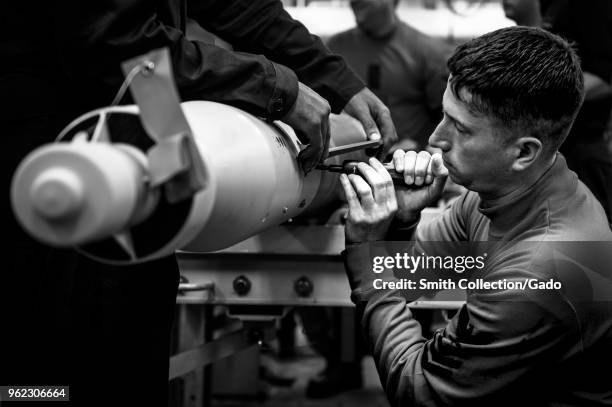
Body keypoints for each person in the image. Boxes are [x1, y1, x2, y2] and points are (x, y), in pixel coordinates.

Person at [0, 1, 397, 405]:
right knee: (49, 370)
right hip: (57, 151)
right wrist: (275, 88)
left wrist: (336, 80)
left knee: (132, 317)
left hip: (144, 117)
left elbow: (239, 6)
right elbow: (114, 43)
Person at [339, 26, 612, 405]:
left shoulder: (545, 269)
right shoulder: (499, 196)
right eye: (444, 115)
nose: (436, 139)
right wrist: (400, 222)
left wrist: (365, 248)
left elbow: (419, 393)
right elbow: (406, 281)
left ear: (523, 153)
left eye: (461, 129)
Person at [502, 0, 612, 225]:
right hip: (549, 154)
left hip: (583, 154)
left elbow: (604, 78)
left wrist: (535, 95)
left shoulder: (590, 5)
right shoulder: (553, 7)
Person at [327, 0, 452, 151]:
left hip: (404, 163)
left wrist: (418, 142)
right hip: (345, 161)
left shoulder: (430, 53)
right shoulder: (334, 48)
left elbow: (444, 112)